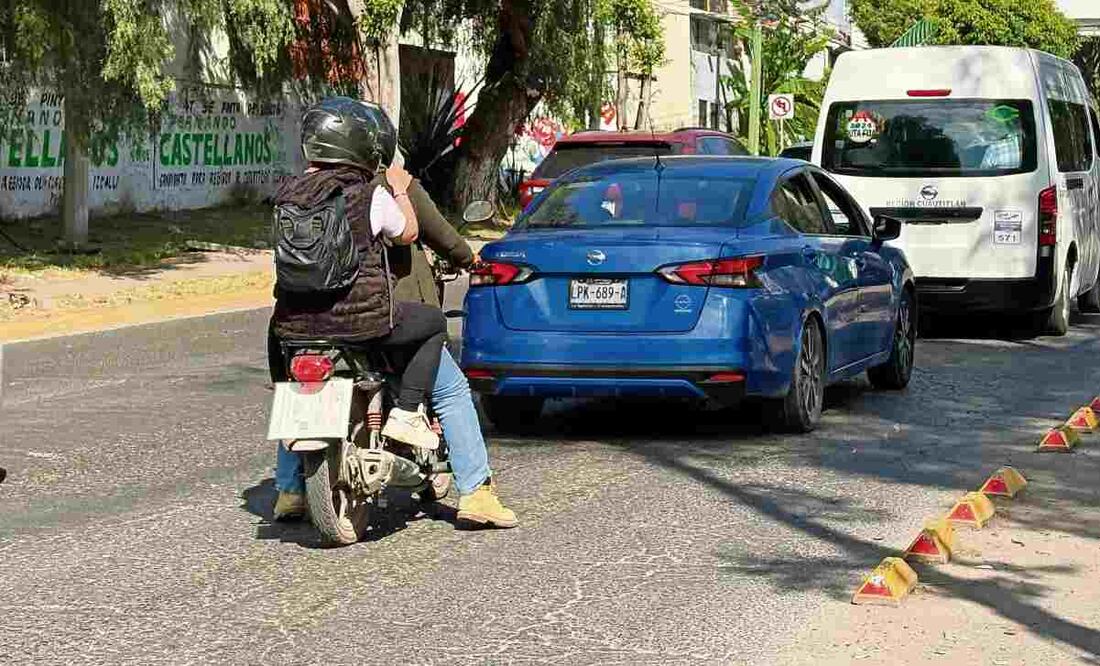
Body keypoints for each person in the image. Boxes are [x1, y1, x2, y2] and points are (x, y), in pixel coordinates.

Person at [270, 97, 516, 529]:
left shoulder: (290, 194)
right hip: (373, 321)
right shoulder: (383, 189)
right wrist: (469, 259)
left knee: (298, 386)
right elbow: (428, 235)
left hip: (297, 324)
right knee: (452, 387)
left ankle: (290, 489)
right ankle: (475, 492)